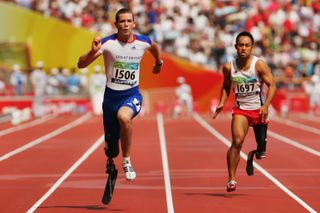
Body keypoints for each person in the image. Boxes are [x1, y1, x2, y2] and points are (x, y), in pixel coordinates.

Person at [77, 8, 163, 181]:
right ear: (115, 24)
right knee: (111, 148)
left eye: (128, 21)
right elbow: (81, 64)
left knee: (124, 118)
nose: (125, 24)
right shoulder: (106, 43)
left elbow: (153, 46)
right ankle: (111, 159)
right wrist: (92, 51)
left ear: (134, 23)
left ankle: (127, 160)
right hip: (110, 99)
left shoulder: (142, 42)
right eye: (122, 21)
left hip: (131, 95)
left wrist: (158, 62)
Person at [213, 31, 277, 192]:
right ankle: (231, 179)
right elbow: (226, 86)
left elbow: (273, 85)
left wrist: (266, 105)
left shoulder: (259, 65)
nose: (243, 48)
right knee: (237, 142)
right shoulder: (229, 67)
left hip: (259, 110)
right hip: (241, 110)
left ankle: (253, 154)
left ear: (252, 48)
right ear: (235, 47)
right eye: (240, 45)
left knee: (261, 150)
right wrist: (222, 102)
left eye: (247, 45)